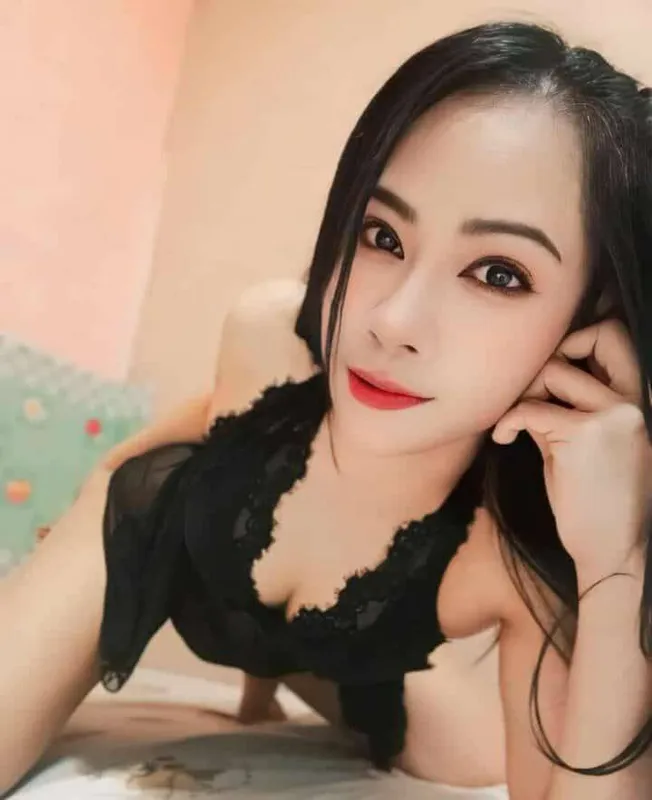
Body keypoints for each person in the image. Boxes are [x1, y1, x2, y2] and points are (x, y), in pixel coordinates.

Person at [1, 20, 651, 799]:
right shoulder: (270, 339)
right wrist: (77, 523)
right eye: (381, 234)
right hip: (184, 574)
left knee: (470, 761)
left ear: (592, 323)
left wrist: (617, 558)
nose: (392, 323)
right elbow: (167, 445)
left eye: (498, 274)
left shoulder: (509, 559)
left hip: (351, 663)